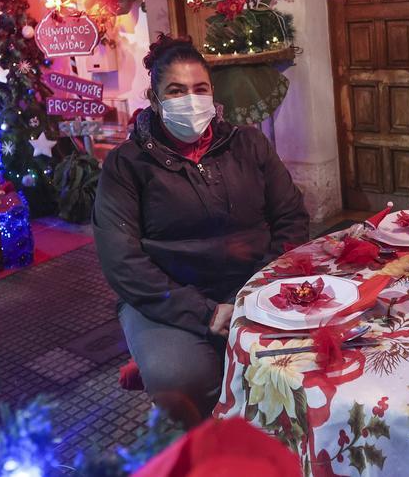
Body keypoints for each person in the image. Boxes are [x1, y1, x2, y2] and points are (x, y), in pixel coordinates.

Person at [94, 33, 309, 426]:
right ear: (156, 100)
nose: (189, 100)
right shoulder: (127, 166)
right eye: (175, 91)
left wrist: (261, 285)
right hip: (167, 300)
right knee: (184, 383)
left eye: (199, 89)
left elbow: (291, 217)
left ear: (212, 94)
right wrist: (205, 313)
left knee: (306, 361)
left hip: (253, 284)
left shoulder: (249, 144)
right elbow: (122, 262)